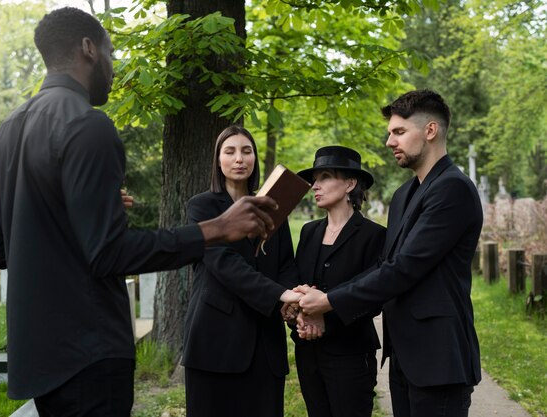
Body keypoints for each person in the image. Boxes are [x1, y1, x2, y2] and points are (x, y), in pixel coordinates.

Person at [0, 8, 278, 417]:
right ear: (89, 49)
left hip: (40, 358)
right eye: (111, 51)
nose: (113, 65)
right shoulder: (90, 126)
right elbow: (109, 254)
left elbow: (2, 250)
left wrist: (87, 212)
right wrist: (214, 229)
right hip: (90, 353)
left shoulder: (6, 131)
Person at [297, 90, 483, 417]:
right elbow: (383, 265)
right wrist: (322, 302)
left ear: (430, 130)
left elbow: (402, 269)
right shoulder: (402, 195)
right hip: (404, 358)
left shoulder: (454, 189)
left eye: (398, 132)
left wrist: (327, 302)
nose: (389, 141)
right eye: (390, 133)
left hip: (438, 358)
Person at [182, 125, 301, 417]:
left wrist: (288, 301)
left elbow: (286, 263)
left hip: (265, 343)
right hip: (215, 341)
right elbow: (224, 263)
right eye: (230, 151)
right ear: (218, 160)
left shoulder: (273, 206)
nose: (239, 159)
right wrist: (280, 295)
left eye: (247, 151)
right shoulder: (202, 207)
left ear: (255, 159)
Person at [288, 146, 386, 417]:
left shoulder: (374, 235)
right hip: (309, 353)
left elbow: (373, 298)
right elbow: (298, 284)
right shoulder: (309, 232)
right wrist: (300, 316)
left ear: (350, 184)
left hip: (351, 354)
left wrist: (325, 317)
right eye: (314, 179)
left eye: (325, 177)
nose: (315, 186)